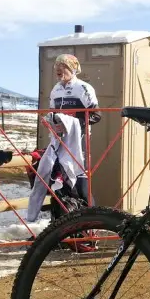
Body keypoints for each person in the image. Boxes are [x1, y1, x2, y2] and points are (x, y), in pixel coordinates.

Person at [49, 54, 101, 203]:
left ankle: (92, 221)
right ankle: (65, 221)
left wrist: (74, 116)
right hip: (59, 140)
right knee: (61, 183)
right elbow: (52, 113)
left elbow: (96, 115)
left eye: (63, 66)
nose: (58, 69)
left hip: (79, 141)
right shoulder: (56, 89)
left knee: (82, 185)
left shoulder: (83, 88)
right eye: (56, 66)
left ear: (73, 68)